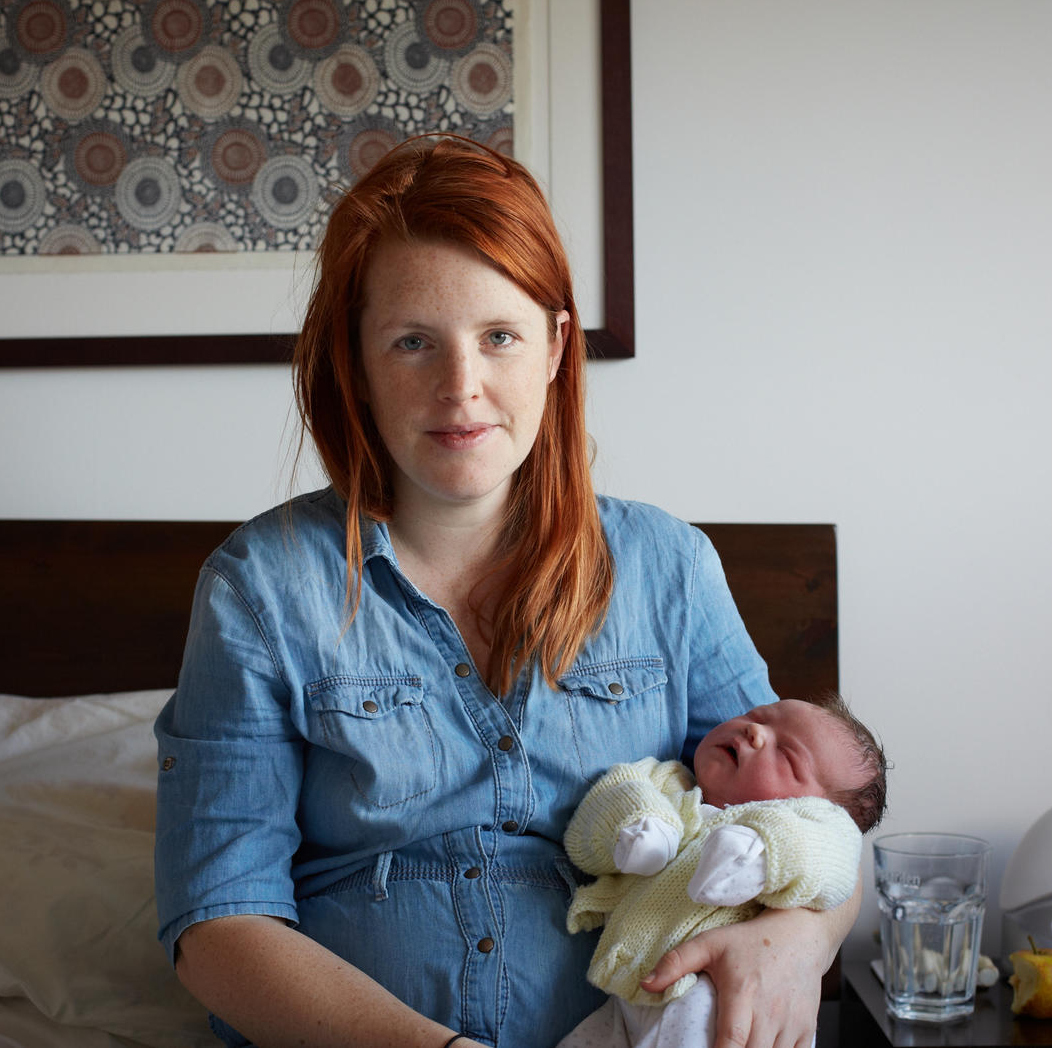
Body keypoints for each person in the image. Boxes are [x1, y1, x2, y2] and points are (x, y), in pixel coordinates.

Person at [152, 134, 864, 1048]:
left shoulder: (668, 567)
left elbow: (812, 826)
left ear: (556, 346)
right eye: (413, 342)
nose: (462, 388)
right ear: (357, 364)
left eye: (499, 337)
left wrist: (798, 942)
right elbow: (215, 924)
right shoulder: (259, 590)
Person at [557, 696, 887, 1048]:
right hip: (626, 993)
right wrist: (639, 826)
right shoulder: (667, 781)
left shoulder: (813, 827)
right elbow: (603, 808)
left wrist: (762, 851)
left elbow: (835, 855)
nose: (755, 730)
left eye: (787, 756)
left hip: (719, 993)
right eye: (755, 715)